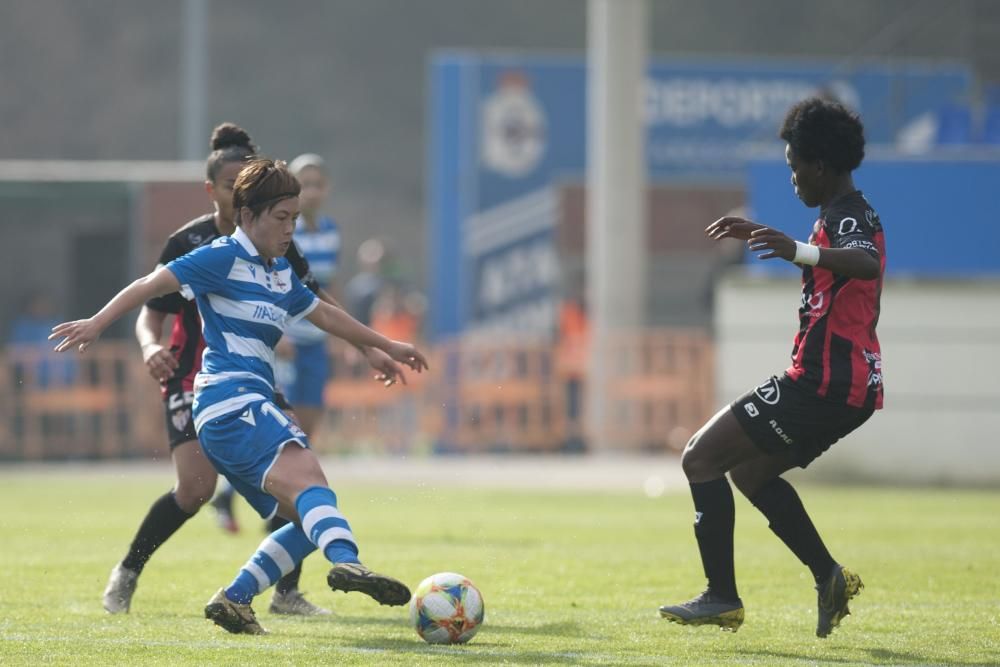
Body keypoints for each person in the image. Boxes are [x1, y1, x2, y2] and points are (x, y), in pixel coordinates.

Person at [52, 157, 427, 635]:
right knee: (311, 482)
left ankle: (235, 599)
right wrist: (97, 323)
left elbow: (327, 317)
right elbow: (150, 285)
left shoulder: (278, 272)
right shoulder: (220, 257)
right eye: (281, 218)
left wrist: (385, 344)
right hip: (230, 403)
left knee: (309, 515)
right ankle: (350, 563)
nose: (291, 228)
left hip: (245, 406)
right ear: (248, 215)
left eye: (294, 218)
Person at [658, 97, 884, 638]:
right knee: (750, 472)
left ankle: (721, 598)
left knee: (700, 457)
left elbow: (867, 262)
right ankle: (828, 576)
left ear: (820, 166)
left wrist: (797, 252)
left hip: (823, 385)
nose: (792, 177)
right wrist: (786, 242)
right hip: (847, 389)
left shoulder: (849, 215)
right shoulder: (838, 214)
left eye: (793, 166)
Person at [209, 153, 342, 530]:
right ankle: (255, 499)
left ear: (327, 188)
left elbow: (325, 288)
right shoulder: (284, 231)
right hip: (285, 341)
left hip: (316, 339)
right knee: (284, 425)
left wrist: (350, 335)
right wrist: (277, 331)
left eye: (318, 183)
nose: (312, 191)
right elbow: (272, 283)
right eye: (305, 184)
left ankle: (274, 507)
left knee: (308, 426)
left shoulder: (331, 230)